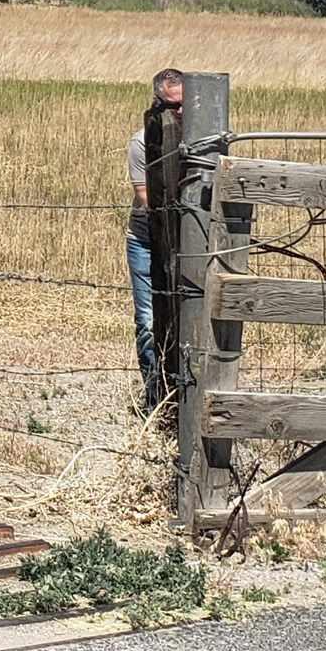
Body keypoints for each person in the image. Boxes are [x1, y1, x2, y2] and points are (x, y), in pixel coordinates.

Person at [126, 67, 186, 414]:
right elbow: (148, 197)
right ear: (157, 104)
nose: (178, 113)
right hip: (148, 239)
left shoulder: (206, 140)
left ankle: (185, 398)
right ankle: (156, 402)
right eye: (170, 106)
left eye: (183, 106)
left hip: (191, 242)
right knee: (149, 321)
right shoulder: (141, 142)